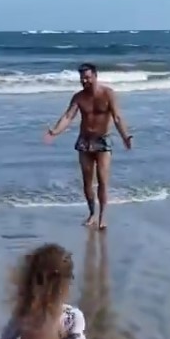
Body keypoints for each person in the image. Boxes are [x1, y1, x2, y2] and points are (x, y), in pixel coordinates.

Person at [44, 63, 133, 230]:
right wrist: (55, 131)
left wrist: (125, 136)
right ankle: (92, 213)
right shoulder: (79, 97)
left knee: (102, 180)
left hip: (103, 141)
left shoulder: (108, 94)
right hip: (84, 141)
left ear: (95, 76)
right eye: (82, 78)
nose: (85, 81)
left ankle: (103, 216)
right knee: (87, 182)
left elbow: (118, 118)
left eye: (88, 78)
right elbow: (68, 117)